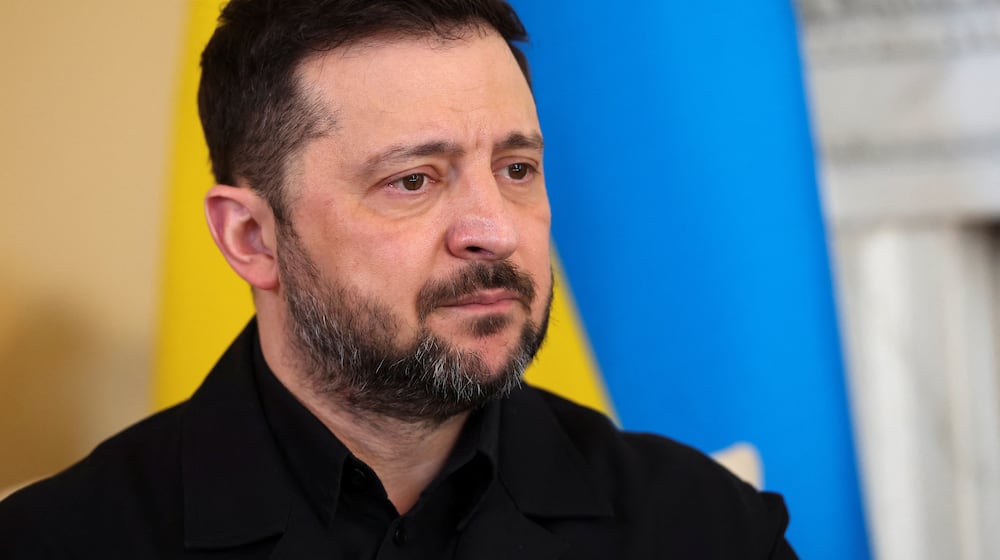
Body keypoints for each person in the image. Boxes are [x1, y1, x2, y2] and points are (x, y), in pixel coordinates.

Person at [0, 1, 797, 557]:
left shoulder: (705, 527)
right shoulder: (60, 541)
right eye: (414, 180)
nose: (494, 230)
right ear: (250, 236)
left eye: (516, 168)